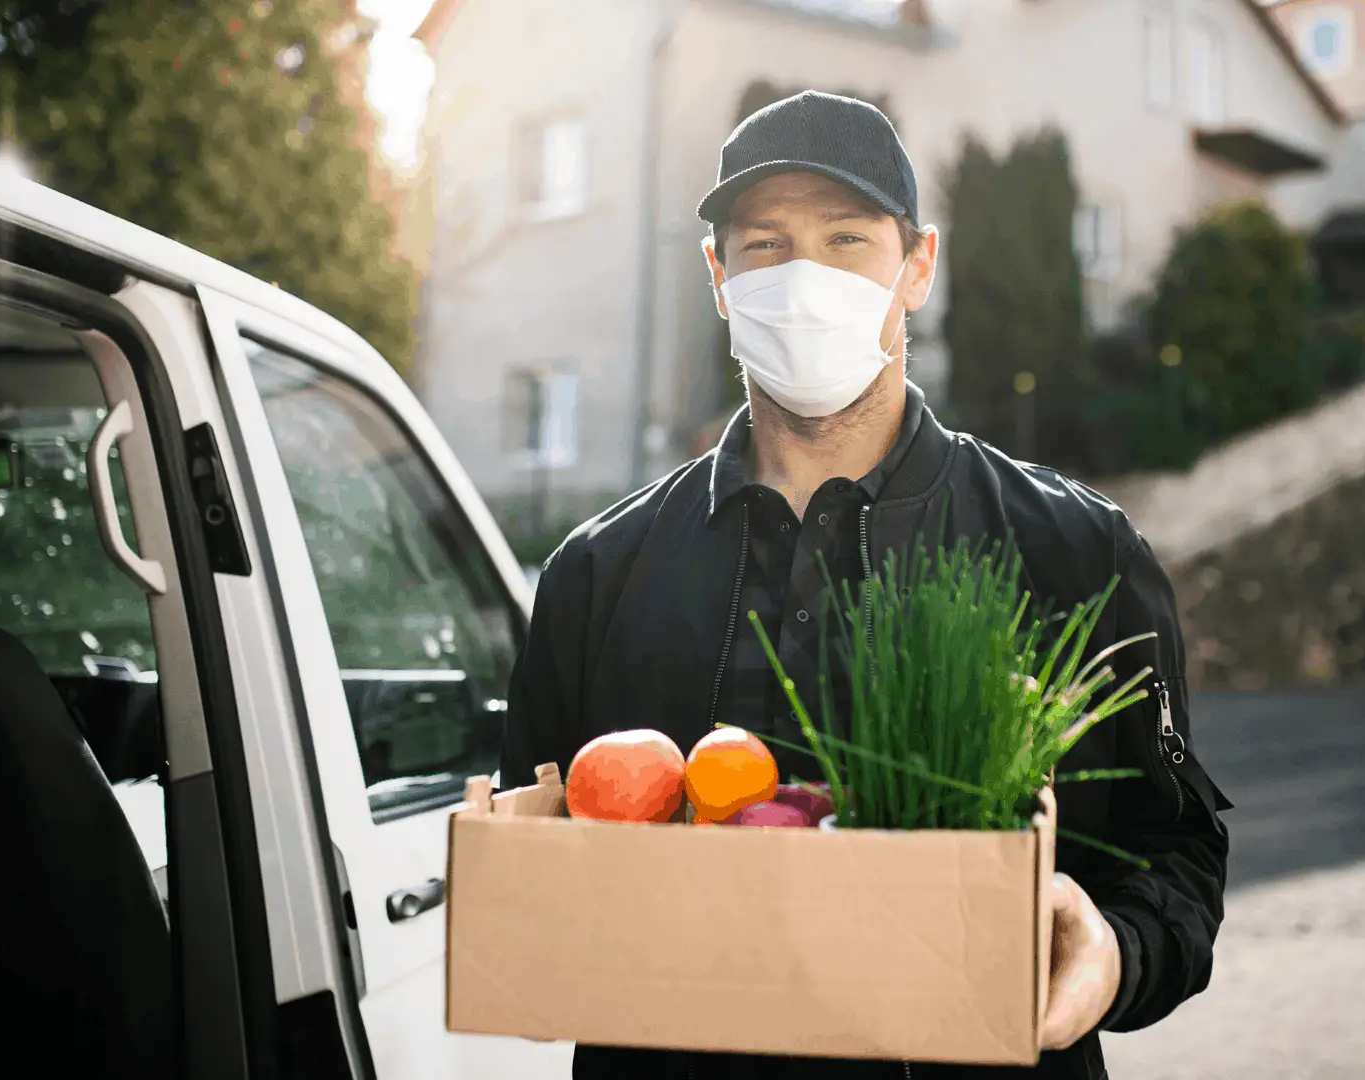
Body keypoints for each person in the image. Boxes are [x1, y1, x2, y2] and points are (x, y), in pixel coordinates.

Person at [500, 90, 1232, 1080]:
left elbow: (1177, 852)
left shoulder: (1079, 554)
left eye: (847, 239)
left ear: (917, 265)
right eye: (766, 245)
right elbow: (538, 852)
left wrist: (1114, 951)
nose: (805, 278)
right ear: (718, 277)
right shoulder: (595, 576)